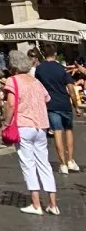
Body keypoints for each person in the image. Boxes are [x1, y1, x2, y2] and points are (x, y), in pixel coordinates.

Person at [3, 49, 59, 215]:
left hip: (23, 125)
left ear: (12, 66)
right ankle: (53, 204)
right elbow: (47, 99)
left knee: (28, 164)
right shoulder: (36, 82)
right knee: (44, 163)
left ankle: (36, 205)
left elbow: (11, 105)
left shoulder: (12, 81)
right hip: (41, 126)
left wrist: (6, 123)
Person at [35, 41, 81, 174]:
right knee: (69, 131)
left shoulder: (40, 69)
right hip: (64, 103)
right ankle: (71, 160)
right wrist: (76, 106)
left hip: (50, 104)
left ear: (44, 54)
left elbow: (38, 88)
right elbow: (71, 88)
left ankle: (62, 164)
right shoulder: (62, 68)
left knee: (57, 132)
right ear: (55, 53)